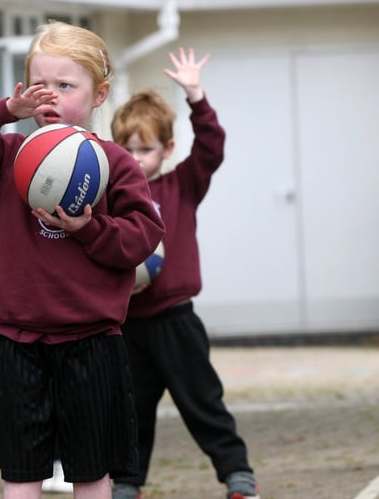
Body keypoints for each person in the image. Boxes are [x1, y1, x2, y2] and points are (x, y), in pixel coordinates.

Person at [0, 21, 164, 499]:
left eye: (66, 86)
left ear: (99, 95)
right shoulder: (4, 156)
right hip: (19, 341)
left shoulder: (115, 162)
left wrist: (90, 229)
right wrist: (3, 112)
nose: (51, 97)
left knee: (92, 470)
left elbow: (142, 236)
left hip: (92, 340)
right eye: (41, 86)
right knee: (20, 472)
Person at [110, 48, 260, 499]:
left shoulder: (181, 185)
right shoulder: (110, 196)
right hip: (129, 326)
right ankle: (127, 483)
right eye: (127, 149)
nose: (136, 159)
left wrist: (195, 96)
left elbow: (212, 146)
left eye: (146, 149)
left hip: (177, 321)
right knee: (130, 413)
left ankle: (237, 475)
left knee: (203, 404)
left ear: (167, 150)